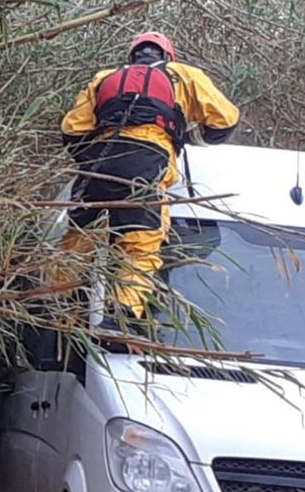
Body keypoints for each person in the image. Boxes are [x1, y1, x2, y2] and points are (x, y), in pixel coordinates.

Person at [58, 30, 240, 321]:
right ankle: (121, 319)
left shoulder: (105, 77)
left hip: (98, 161)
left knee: (77, 243)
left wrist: (96, 160)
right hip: (147, 160)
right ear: (168, 56)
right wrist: (187, 137)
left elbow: (72, 130)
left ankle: (51, 314)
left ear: (132, 56)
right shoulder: (183, 74)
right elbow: (226, 120)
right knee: (140, 246)